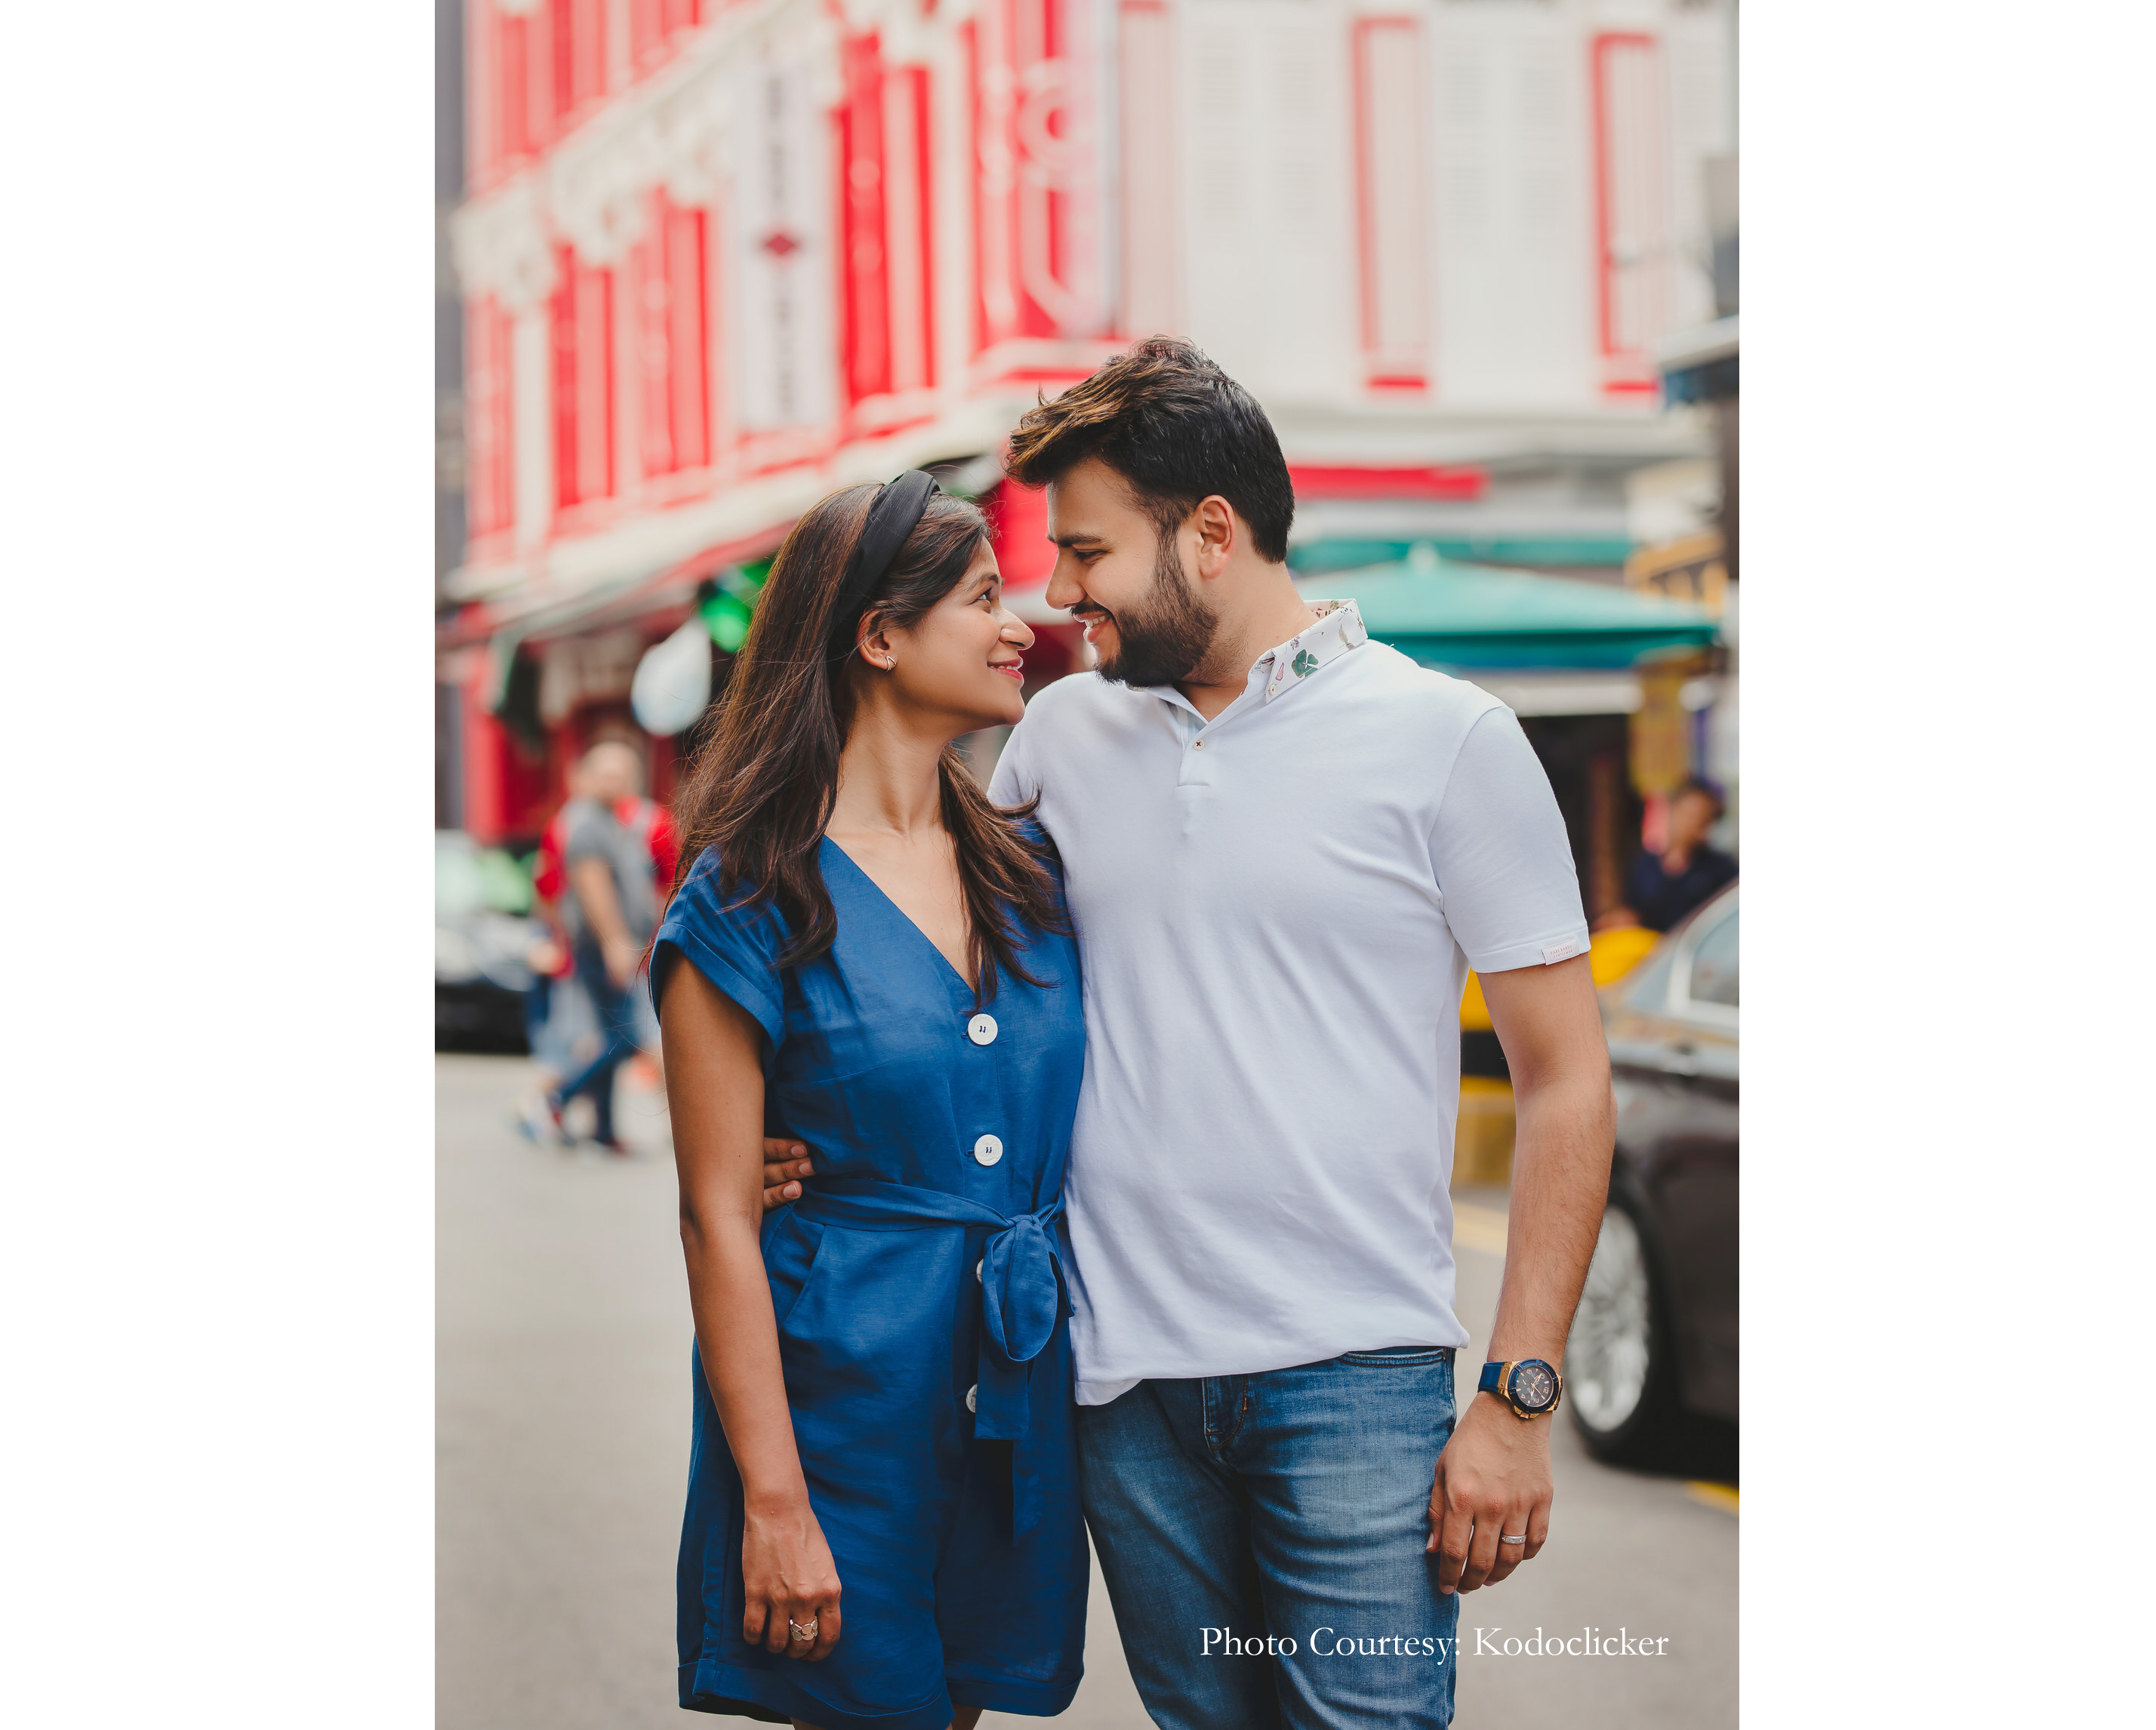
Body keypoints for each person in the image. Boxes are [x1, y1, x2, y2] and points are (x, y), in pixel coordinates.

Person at [765, 339, 1615, 1730]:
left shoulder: (1449, 741)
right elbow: (932, 993)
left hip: (1355, 1374)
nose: (1057, 591)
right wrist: (777, 1133)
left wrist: (1517, 1398)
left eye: (1087, 549)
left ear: (1209, 534)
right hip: (1120, 1383)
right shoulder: (1055, 742)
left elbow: (1567, 1083)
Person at [655, 473, 1089, 1729]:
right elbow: (717, 1217)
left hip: (1012, 1387)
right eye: (984, 599)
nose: (1020, 627)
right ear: (880, 634)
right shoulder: (747, 897)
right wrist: (775, 1504)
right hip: (840, 1403)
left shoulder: (1032, 873)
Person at [541, 740, 662, 1155]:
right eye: (607, 771)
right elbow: (593, 886)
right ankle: (556, 1098)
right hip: (602, 947)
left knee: (611, 1031)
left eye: (624, 771)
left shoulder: (612, 820)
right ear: (588, 775)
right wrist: (615, 943)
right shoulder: (588, 823)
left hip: (615, 944)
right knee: (626, 1036)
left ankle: (604, 1130)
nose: (617, 780)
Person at [1597, 774, 1737, 934]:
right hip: (1654, 953)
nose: (1694, 823)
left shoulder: (1721, 870)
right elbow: (1633, 912)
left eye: (1704, 819)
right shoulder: (1645, 866)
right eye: (1691, 814)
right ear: (1673, 810)